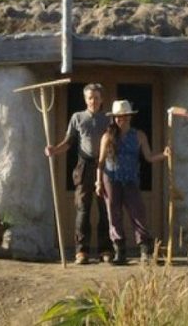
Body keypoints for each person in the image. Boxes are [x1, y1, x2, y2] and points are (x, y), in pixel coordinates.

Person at [95, 100, 170, 265]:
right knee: (114, 214)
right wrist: (98, 182)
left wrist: (163, 156)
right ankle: (120, 253)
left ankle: (145, 251)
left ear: (129, 117)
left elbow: (149, 157)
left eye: (124, 117)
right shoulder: (107, 136)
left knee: (138, 213)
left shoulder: (139, 135)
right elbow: (100, 162)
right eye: (117, 117)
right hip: (111, 179)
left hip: (131, 180)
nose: (120, 120)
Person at [45, 83, 112, 265]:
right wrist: (54, 150)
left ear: (102, 99)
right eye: (90, 98)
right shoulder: (77, 117)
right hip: (84, 166)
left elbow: (114, 143)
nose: (93, 101)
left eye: (96, 98)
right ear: (85, 99)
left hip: (105, 166)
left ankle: (105, 249)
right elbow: (69, 142)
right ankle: (81, 251)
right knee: (83, 210)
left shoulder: (108, 119)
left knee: (105, 209)